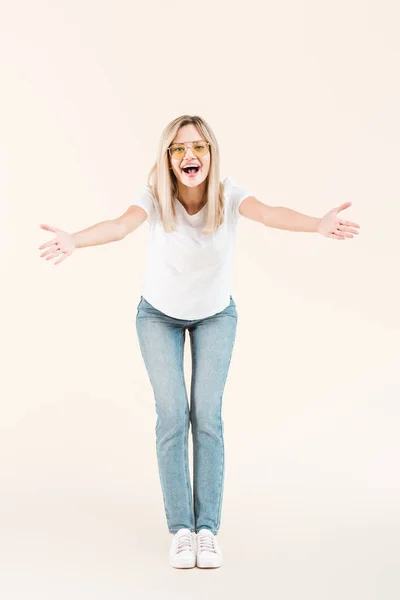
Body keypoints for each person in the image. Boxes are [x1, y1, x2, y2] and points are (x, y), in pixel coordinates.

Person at [38, 114, 361, 569]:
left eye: (198, 147)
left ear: (210, 153)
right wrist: (75, 239)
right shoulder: (154, 197)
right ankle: (181, 531)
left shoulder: (229, 194)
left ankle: (206, 528)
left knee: (206, 415)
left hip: (215, 317)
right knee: (172, 416)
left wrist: (317, 224)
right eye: (179, 149)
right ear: (168, 159)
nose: (189, 155)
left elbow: (269, 214)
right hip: (157, 318)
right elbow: (117, 226)